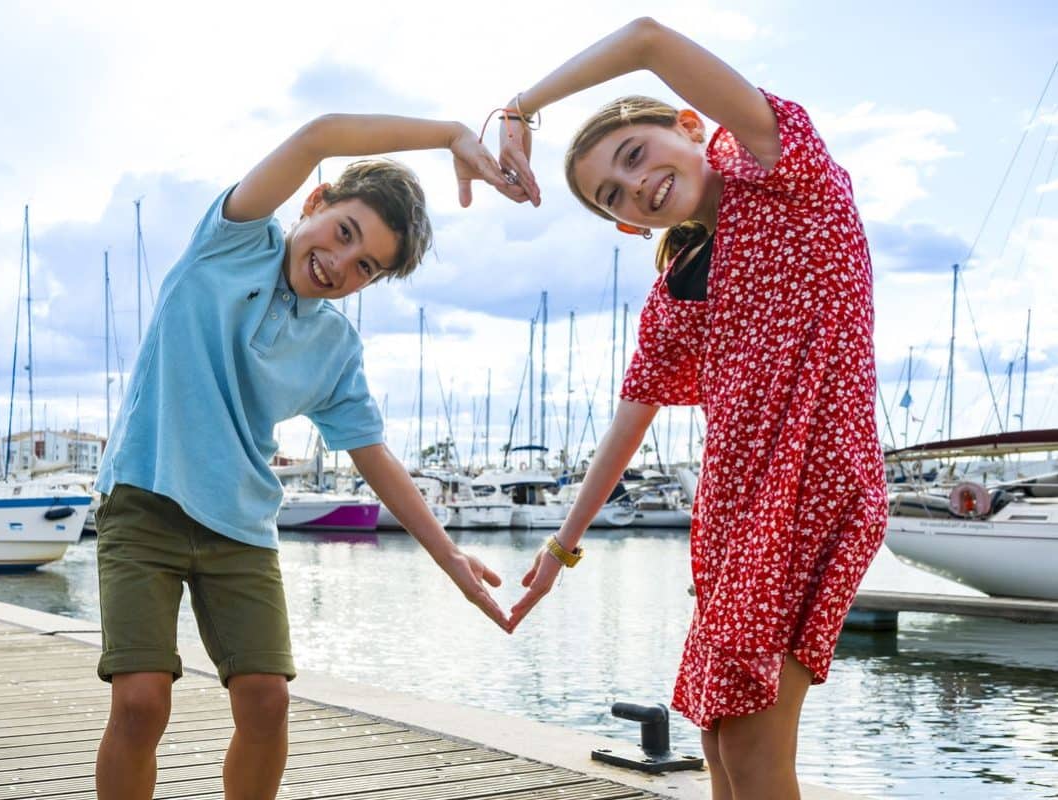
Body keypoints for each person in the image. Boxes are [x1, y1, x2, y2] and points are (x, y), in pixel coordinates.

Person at [494, 19, 886, 800]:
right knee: (717, 742)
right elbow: (630, 421)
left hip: (810, 488)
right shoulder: (675, 293)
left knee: (752, 746)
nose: (635, 183)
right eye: (615, 193)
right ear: (627, 225)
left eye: (635, 156)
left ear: (689, 125)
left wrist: (521, 109)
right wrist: (558, 552)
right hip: (731, 518)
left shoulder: (786, 174)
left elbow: (644, 37)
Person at [90, 110, 523, 800]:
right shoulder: (230, 243)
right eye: (343, 233)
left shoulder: (333, 347)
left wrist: (448, 556)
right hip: (144, 500)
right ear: (314, 203)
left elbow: (372, 455)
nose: (338, 264)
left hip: (241, 527)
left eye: (365, 268)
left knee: (267, 701)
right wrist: (449, 134)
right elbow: (319, 136)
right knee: (141, 701)